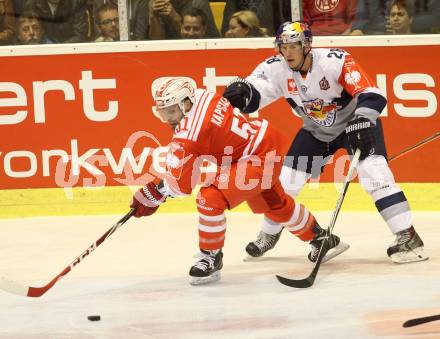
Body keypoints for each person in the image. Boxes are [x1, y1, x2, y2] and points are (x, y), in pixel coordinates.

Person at [223, 21, 428, 264]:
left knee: (375, 175)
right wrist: (243, 94)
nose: (287, 52)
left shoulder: (335, 60)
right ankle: (269, 234)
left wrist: (362, 119)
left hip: (355, 125)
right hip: (316, 130)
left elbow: (372, 93)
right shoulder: (275, 67)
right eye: (282, 46)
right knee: (284, 183)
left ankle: (408, 236)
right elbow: (256, 93)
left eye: (293, 46)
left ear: (307, 45)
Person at [130, 77, 349, 285]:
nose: (168, 118)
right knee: (275, 205)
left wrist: (153, 194)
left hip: (256, 157)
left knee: (209, 199)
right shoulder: (203, 95)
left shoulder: (189, 135)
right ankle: (321, 239)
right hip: (265, 142)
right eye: (163, 113)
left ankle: (210, 258)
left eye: (171, 111)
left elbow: (181, 185)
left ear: (186, 104)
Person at [148, 0, 219, 39]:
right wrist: (154, 17)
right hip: (168, 53)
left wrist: (175, 18)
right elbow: (156, 43)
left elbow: (213, 41)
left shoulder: (198, 3)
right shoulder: (156, 3)